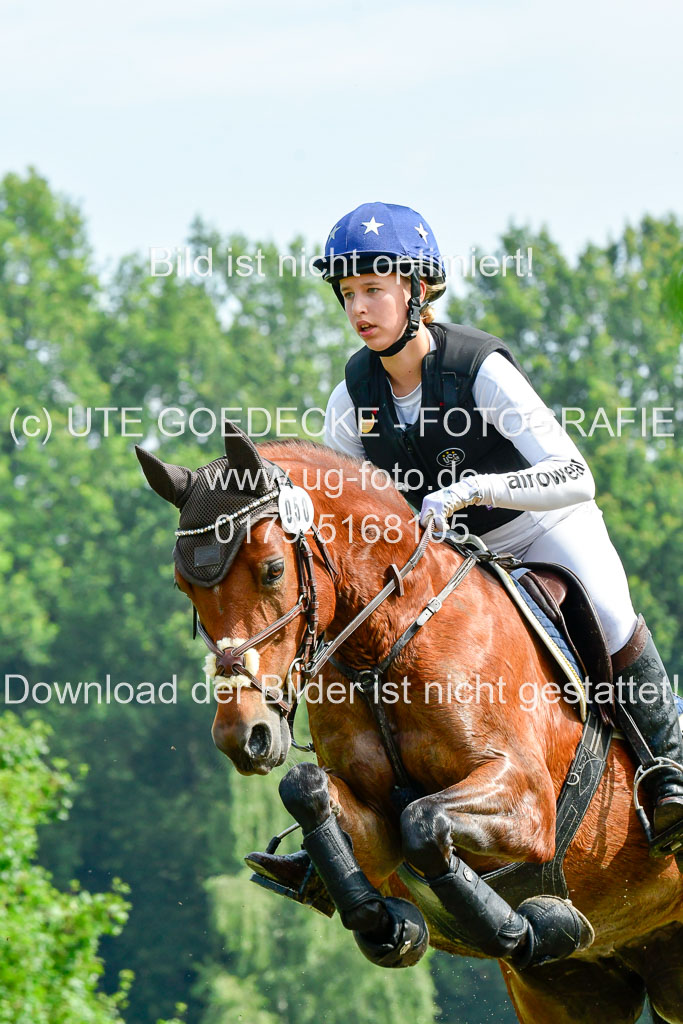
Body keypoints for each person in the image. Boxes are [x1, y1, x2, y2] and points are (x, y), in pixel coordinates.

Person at [316, 201, 683, 858]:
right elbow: (340, 512)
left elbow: (574, 473)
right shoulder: (352, 396)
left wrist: (478, 489)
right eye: (348, 294)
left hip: (541, 528)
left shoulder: (477, 367)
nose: (358, 309)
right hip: (450, 561)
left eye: (373, 289)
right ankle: (346, 823)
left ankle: (669, 769)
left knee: (608, 612)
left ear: (416, 290)